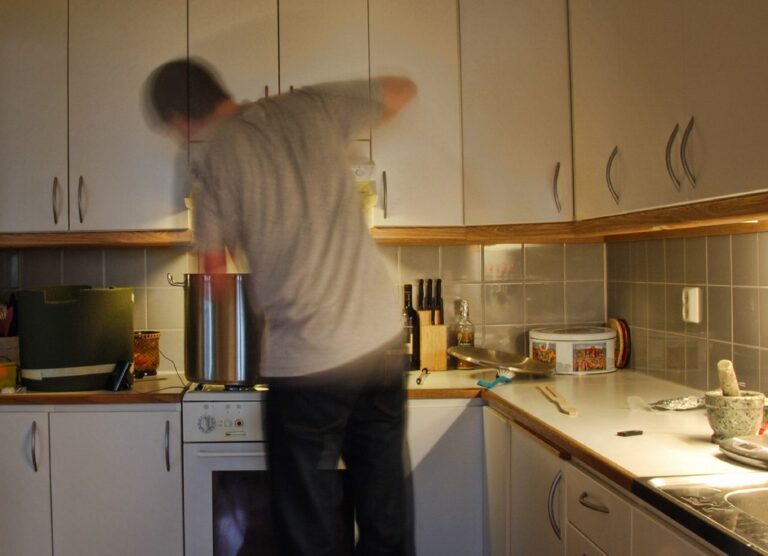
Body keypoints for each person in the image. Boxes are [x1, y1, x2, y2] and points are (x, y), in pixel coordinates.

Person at [147, 59, 417, 555]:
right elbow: (400, 90)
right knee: (385, 522)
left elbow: (212, 279)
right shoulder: (310, 105)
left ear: (181, 120)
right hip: (380, 347)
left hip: (309, 363)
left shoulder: (217, 159)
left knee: (307, 532)